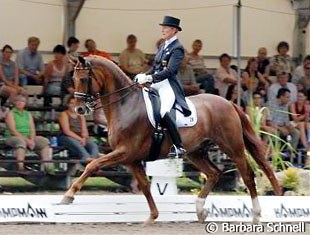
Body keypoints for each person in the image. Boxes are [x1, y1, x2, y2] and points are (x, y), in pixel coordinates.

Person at [134, 16, 190, 157]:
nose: (163, 30)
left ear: (174, 30)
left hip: (168, 85)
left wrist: (150, 78)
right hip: (155, 83)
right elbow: (155, 67)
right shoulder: (162, 45)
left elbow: (170, 71)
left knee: (164, 111)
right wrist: (143, 75)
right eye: (163, 27)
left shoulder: (177, 48)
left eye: (166, 28)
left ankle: (179, 146)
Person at [4, 94, 53, 173]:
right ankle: (20, 167)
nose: (20, 103)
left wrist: (32, 139)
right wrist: (28, 140)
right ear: (15, 103)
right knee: (21, 142)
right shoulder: (10, 113)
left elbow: (32, 129)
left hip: (28, 136)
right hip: (12, 137)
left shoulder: (28, 114)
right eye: (18, 101)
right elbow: (13, 130)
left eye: (22, 101)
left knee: (44, 141)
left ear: (25, 103)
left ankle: (47, 167)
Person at [58, 95, 99, 161]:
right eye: (71, 103)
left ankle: (93, 160)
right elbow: (67, 131)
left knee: (93, 145)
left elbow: (84, 130)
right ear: (68, 104)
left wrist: (84, 138)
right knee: (76, 144)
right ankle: (87, 158)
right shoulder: (64, 114)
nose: (73, 105)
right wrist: (80, 139)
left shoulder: (80, 114)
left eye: (75, 104)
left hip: (80, 137)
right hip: (66, 137)